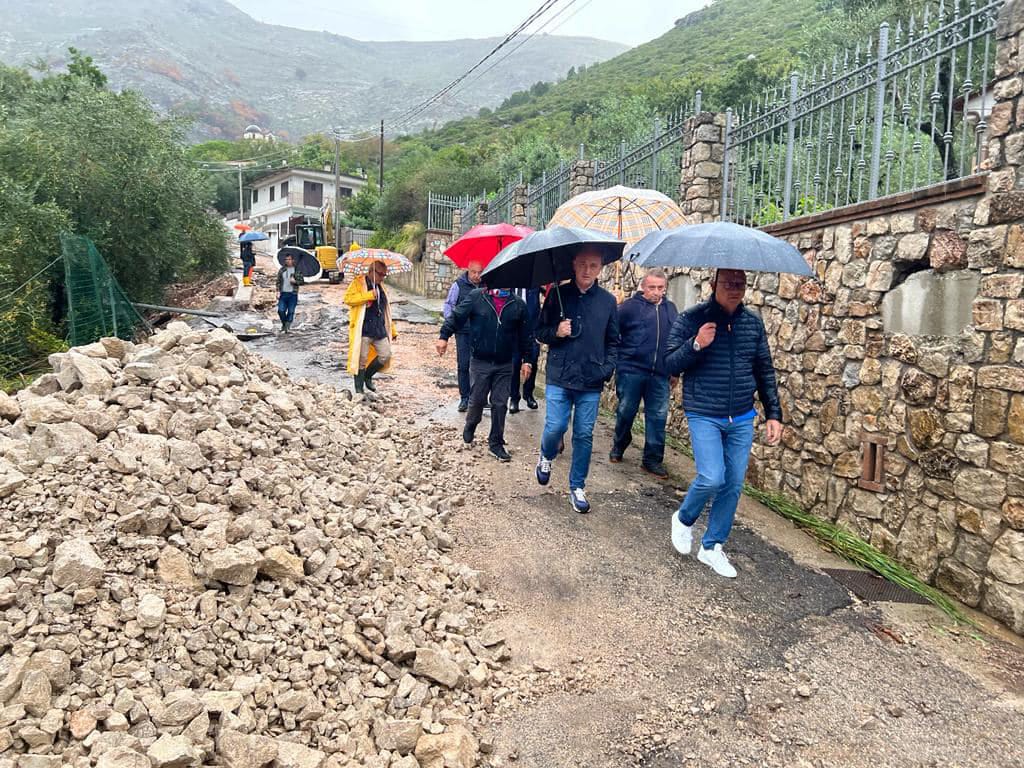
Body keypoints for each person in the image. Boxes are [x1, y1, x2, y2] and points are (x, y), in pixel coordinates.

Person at [664, 268, 783, 578]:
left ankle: (712, 546)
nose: (736, 289)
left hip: (742, 415)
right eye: (729, 283)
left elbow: (764, 370)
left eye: (741, 284)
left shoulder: (752, 323)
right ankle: (684, 518)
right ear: (714, 284)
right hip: (704, 410)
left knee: (732, 484)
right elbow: (669, 362)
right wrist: (697, 343)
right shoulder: (692, 318)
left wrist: (773, 414)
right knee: (712, 477)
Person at [534, 249, 619, 514]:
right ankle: (546, 455)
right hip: (560, 375)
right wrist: (557, 332)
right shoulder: (558, 295)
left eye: (593, 265)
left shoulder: (607, 301)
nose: (586, 270)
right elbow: (540, 332)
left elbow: (614, 341)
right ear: (573, 265)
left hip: (590, 380)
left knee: (583, 434)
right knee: (555, 426)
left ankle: (577, 486)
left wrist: (605, 369)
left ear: (600, 268)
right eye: (582, 264)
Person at [436, 285, 533, 462]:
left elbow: (526, 335)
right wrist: (444, 336)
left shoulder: (518, 305)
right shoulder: (476, 297)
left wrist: (527, 360)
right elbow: (457, 317)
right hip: (480, 361)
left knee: (500, 403)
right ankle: (471, 423)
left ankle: (495, 443)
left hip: (505, 363)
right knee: (477, 400)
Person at [610, 269, 678, 478]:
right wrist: (618, 361)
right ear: (643, 287)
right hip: (631, 370)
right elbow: (613, 333)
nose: (656, 292)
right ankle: (620, 444)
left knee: (657, 417)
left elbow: (676, 340)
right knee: (626, 411)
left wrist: (674, 370)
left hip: (660, 373)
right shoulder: (629, 308)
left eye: (660, 288)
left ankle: (652, 459)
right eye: (652, 287)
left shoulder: (671, 309)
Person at [344, 260, 397, 394]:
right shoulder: (358, 283)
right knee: (361, 359)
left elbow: (386, 310)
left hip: (379, 329)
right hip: (364, 329)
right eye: (380, 274)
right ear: (371, 272)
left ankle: (368, 375)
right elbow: (348, 299)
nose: (382, 277)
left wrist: (393, 330)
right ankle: (359, 389)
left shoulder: (381, 287)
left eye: (384, 275)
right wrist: (367, 296)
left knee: (385, 355)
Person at [442, 262, 484, 412]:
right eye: (474, 272)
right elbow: (449, 305)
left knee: (480, 366)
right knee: (464, 365)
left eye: (480, 272)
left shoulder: (486, 285)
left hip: (481, 332)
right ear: (468, 270)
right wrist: (452, 323)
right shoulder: (458, 285)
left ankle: (479, 397)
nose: (477, 276)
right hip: (463, 331)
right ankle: (465, 398)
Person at [508, 288, 541, 413]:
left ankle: (529, 394)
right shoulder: (510, 288)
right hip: (514, 332)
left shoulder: (534, 287)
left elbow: (538, 309)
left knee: (532, 362)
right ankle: (514, 398)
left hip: (532, 331)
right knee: (515, 363)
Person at [276, 253, 303, 333]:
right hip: (283, 294)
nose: (287, 261)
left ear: (293, 260)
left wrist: (295, 281)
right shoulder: (282, 270)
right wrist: (277, 291)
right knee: (281, 310)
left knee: (291, 311)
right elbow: (278, 282)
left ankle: (287, 327)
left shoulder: (297, 271)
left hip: (293, 294)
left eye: (289, 259)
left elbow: (302, 281)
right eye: (286, 259)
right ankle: (284, 323)